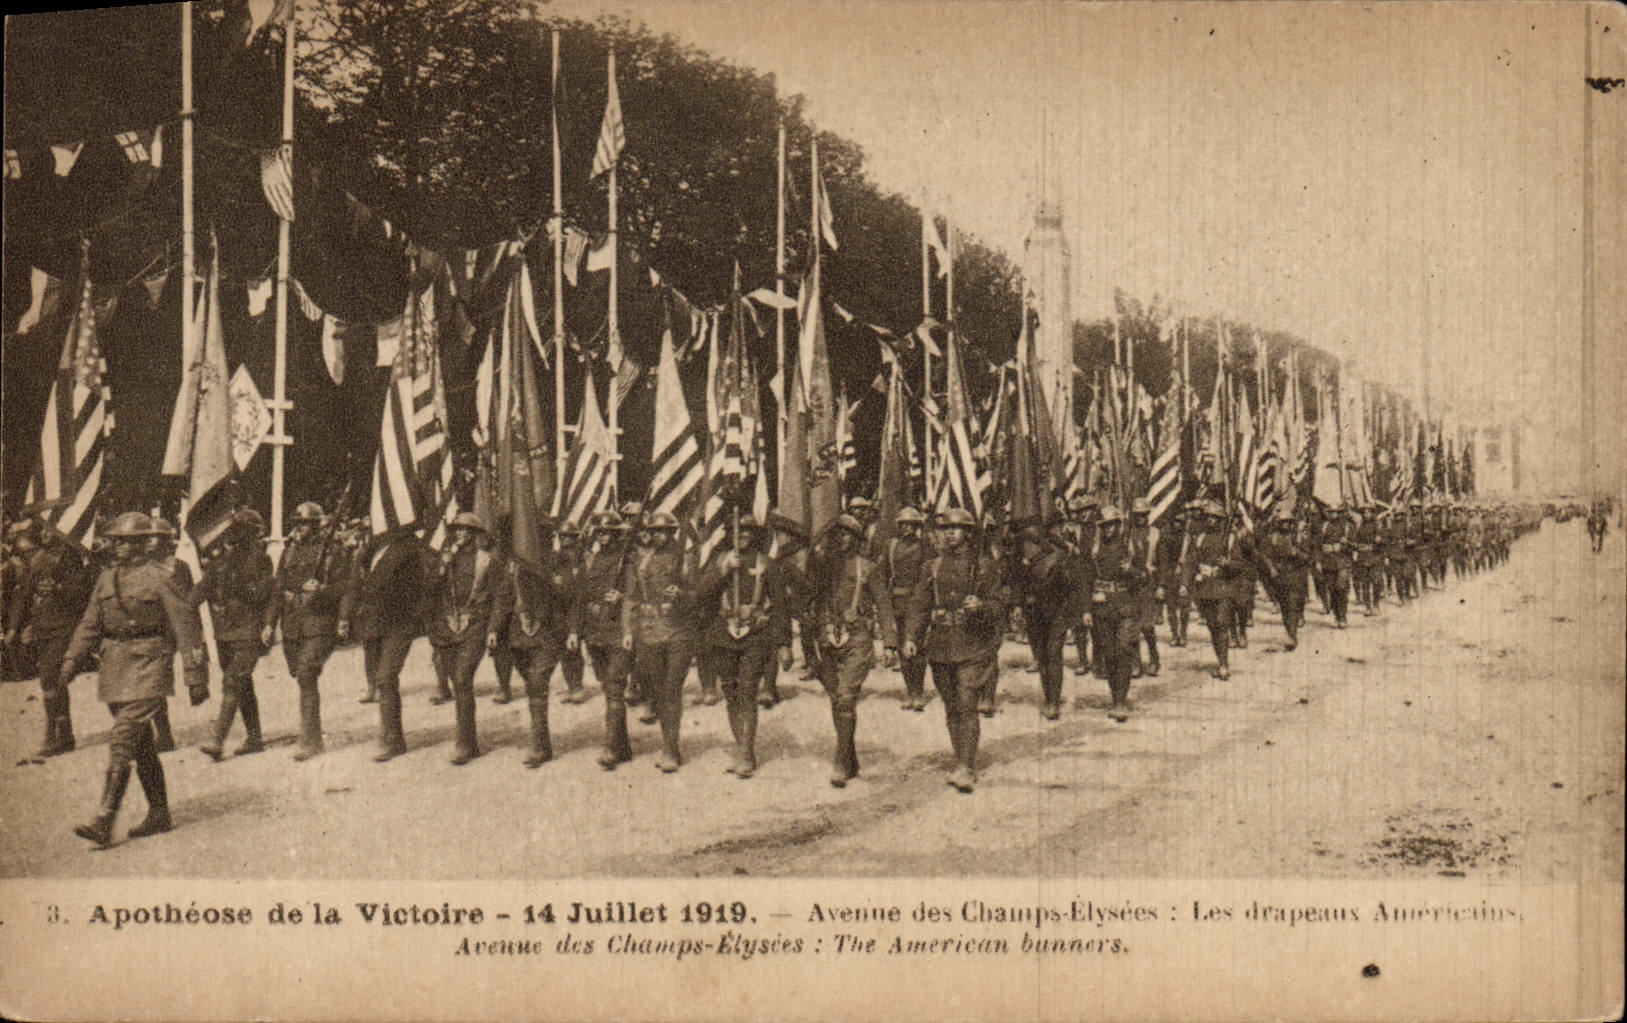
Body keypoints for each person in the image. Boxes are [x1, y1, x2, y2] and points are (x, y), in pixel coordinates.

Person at [61, 512, 209, 846]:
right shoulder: (106, 578)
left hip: (149, 663)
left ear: (142, 544)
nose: (118, 547)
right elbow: (90, 624)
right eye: (115, 541)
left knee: (123, 739)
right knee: (141, 746)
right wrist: (70, 661)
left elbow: (187, 626)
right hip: (115, 667)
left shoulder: (162, 576)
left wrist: (195, 675)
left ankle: (104, 819)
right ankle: (159, 813)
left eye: (125, 542)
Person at [905, 507, 1007, 793]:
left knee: (966, 701)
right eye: (945, 528)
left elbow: (1000, 605)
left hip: (973, 644)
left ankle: (966, 765)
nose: (950, 533)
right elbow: (919, 605)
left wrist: (982, 606)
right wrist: (911, 636)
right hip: (940, 645)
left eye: (956, 528)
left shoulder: (984, 566)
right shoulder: (932, 567)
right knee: (951, 705)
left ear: (968, 533)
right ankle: (960, 755)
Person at [694, 515, 792, 779]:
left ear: (755, 535)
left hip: (755, 636)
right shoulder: (719, 561)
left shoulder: (767, 564)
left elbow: (781, 606)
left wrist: (784, 643)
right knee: (731, 691)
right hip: (723, 636)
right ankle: (741, 748)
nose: (743, 535)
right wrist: (723, 570)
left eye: (748, 531)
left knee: (747, 690)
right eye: (738, 531)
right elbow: (700, 595)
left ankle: (747, 754)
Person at [806, 514, 897, 787]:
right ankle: (850, 757)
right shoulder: (824, 568)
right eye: (838, 534)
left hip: (857, 639)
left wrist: (890, 642)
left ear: (857, 540)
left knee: (846, 698)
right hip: (828, 641)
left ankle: (841, 762)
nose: (842, 539)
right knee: (837, 699)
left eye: (848, 535)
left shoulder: (867, 569)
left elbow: (883, 604)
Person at [487, 518, 577, 768]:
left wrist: (572, 631)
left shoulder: (559, 561)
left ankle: (539, 747)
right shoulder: (513, 565)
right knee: (532, 687)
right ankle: (542, 742)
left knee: (538, 685)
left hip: (548, 633)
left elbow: (570, 599)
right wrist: (494, 629)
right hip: (518, 636)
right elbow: (503, 599)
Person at [262, 501, 346, 760]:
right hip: (293, 624)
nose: (301, 528)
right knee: (298, 673)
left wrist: (321, 590)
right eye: (298, 523)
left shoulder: (333, 551)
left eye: (306, 524)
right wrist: (269, 623)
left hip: (319, 622)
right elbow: (278, 590)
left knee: (307, 674)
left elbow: (345, 589)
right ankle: (310, 732)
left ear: (317, 524)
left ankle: (311, 739)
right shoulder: (289, 552)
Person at [338, 525, 427, 762]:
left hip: (399, 622)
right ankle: (389, 732)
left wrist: (412, 614)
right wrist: (345, 616)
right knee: (381, 678)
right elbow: (354, 585)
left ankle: (393, 740)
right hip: (373, 621)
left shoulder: (409, 548)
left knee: (386, 676)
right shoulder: (369, 551)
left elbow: (420, 587)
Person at [620, 511, 698, 773]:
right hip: (649, 630)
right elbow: (630, 597)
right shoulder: (639, 561)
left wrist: (683, 595)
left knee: (672, 688)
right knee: (656, 687)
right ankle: (668, 742)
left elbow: (699, 594)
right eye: (655, 531)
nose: (660, 535)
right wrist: (628, 630)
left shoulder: (685, 557)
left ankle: (671, 748)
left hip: (678, 630)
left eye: (665, 531)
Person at [12, 522, 96, 756]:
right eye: (43, 531)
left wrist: (58, 588)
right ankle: (64, 732)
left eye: (51, 529)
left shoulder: (67, 557)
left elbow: (81, 590)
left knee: (50, 676)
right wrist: (13, 630)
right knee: (52, 679)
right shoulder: (36, 561)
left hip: (63, 626)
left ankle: (54, 734)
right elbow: (23, 596)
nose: (47, 534)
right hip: (42, 628)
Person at [196, 509, 274, 760]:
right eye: (234, 531)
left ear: (253, 533)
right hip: (225, 634)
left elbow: (261, 595)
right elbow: (199, 593)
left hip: (248, 631)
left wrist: (235, 579)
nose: (236, 536)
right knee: (243, 685)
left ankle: (217, 741)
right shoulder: (221, 562)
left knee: (233, 682)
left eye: (242, 531)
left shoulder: (261, 560)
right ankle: (255, 738)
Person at [425, 513, 501, 764]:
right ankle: (466, 739)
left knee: (462, 678)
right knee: (455, 681)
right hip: (447, 626)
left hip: (475, 624)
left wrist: (493, 629)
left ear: (477, 535)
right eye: (458, 530)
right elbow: (430, 593)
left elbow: (498, 598)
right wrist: (441, 566)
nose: (462, 535)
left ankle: (466, 743)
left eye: (468, 531)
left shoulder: (486, 561)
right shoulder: (444, 560)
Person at [1011, 515, 1087, 720]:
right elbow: (1018, 580)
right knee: (1042, 656)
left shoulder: (1061, 552)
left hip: (1058, 612)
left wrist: (1075, 612)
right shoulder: (1023, 553)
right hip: (1035, 611)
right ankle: (1048, 696)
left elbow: (1075, 584)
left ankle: (1053, 701)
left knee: (1053, 654)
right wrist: (1018, 604)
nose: (1030, 534)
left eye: (1034, 529)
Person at [577, 511, 636, 769]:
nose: (603, 537)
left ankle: (611, 748)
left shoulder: (630, 561)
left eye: (608, 533)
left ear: (617, 535)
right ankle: (622, 746)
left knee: (614, 687)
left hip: (618, 632)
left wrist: (621, 596)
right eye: (600, 532)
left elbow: (641, 594)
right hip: (595, 632)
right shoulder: (591, 560)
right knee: (608, 687)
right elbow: (581, 596)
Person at [1177, 499, 1236, 679]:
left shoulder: (1230, 538)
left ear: (1221, 520)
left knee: (1221, 623)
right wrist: (1184, 584)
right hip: (1204, 589)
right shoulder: (1200, 538)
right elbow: (1191, 562)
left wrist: (1228, 564)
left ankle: (1224, 663)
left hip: (1223, 587)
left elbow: (1242, 565)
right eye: (1208, 517)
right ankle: (1220, 659)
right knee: (1212, 626)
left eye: (1214, 518)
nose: (1210, 520)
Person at [881, 506, 932, 711]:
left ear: (917, 526)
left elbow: (928, 576)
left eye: (911, 524)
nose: (907, 528)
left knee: (917, 648)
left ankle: (918, 692)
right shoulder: (891, 546)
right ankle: (909, 691)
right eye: (903, 524)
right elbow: (883, 572)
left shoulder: (924, 547)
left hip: (918, 601)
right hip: (897, 601)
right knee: (903, 648)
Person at [1256, 503, 1311, 650]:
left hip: (1294, 575)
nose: (1285, 524)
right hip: (1279, 577)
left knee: (1292, 605)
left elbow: (1308, 557)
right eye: (1282, 522)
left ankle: (1292, 636)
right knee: (1285, 607)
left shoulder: (1298, 538)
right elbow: (1265, 555)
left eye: (1288, 522)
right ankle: (1289, 632)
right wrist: (1271, 568)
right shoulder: (1272, 538)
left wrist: (1297, 554)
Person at [554, 520, 591, 705]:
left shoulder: (582, 558)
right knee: (564, 650)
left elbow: (582, 587)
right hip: (562, 608)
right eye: (562, 536)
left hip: (579, 607)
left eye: (569, 536)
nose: (565, 539)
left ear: (576, 538)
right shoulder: (558, 557)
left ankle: (577, 687)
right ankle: (572, 685)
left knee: (573, 648)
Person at [1128, 499, 1161, 676]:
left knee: (1147, 626)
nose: (1140, 518)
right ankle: (1135, 662)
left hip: (1149, 584)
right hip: (1132, 584)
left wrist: (1160, 585)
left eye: (1143, 515)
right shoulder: (1127, 534)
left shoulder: (1155, 533)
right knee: (1132, 625)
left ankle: (1154, 658)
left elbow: (1162, 561)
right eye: (1137, 515)